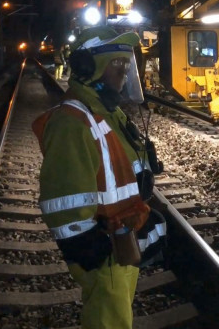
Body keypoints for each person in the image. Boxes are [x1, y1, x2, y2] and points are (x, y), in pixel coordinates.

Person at [32, 26, 165, 329]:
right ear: (88, 68)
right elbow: (62, 199)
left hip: (120, 238)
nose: (124, 73)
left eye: (126, 65)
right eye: (117, 65)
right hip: (103, 248)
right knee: (109, 320)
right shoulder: (72, 122)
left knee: (117, 315)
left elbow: (117, 166)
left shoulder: (106, 112)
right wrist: (89, 248)